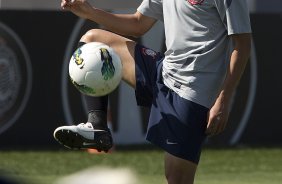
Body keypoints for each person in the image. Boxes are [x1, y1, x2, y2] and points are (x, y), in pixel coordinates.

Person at [54, 0, 252, 183]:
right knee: (94, 40)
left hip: (193, 92)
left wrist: (224, 99)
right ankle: (98, 126)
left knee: (176, 179)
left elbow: (242, 46)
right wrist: (91, 12)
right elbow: (138, 23)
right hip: (163, 71)